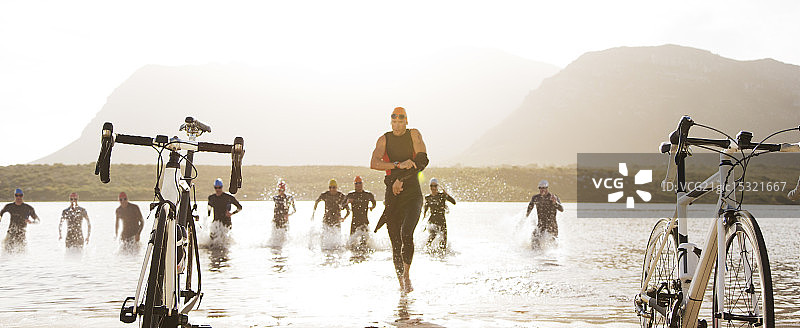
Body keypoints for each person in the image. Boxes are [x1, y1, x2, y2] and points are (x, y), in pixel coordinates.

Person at [370, 106, 429, 293]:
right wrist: (397, 165)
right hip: (392, 195)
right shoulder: (384, 139)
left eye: (400, 121)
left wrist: (401, 178)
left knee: (406, 234)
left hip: (412, 192)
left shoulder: (414, 135)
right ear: (391, 122)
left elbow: (422, 161)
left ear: (406, 121)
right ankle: (401, 284)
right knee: (395, 241)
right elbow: (374, 163)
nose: (397, 125)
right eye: (394, 122)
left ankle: (407, 275)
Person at [423, 178, 456, 251]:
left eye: (435, 186)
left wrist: (447, 194)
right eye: (431, 186)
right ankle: (427, 252)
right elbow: (425, 209)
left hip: (441, 221)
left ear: (437, 186)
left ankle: (442, 256)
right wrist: (424, 214)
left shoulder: (442, 196)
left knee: (443, 241)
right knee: (431, 237)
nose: (433, 188)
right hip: (432, 221)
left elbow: (454, 202)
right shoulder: (428, 197)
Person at [344, 176, 376, 241]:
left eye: (359, 183)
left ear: (362, 184)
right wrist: (347, 203)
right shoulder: (351, 194)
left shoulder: (367, 194)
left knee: (365, 243)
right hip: (354, 221)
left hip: (364, 221)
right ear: (354, 184)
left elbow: (374, 202)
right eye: (356, 183)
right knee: (351, 243)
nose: (358, 185)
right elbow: (342, 205)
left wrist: (372, 207)